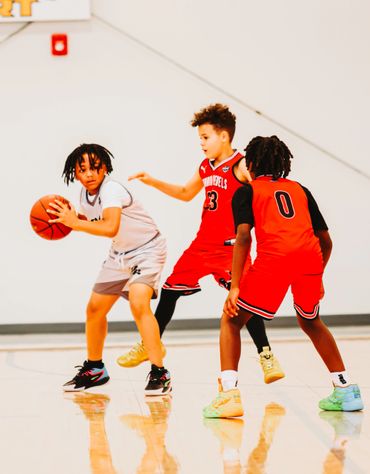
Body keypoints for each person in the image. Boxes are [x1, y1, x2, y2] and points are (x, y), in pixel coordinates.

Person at [117, 104, 284, 384]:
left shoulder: (241, 165)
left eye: (205, 137)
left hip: (231, 248)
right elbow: (185, 192)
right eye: (200, 139)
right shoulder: (206, 167)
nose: (202, 144)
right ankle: (150, 343)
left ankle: (266, 355)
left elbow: (262, 194)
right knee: (170, 291)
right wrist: (152, 181)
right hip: (202, 245)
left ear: (224, 136)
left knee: (244, 302)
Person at [203, 135, 364, 418]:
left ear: (250, 164)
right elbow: (325, 241)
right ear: (282, 164)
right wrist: (317, 273)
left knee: (231, 319)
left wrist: (236, 286)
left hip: (274, 260)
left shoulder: (248, 191)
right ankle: (346, 389)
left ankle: (229, 395)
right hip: (310, 259)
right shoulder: (300, 189)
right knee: (311, 320)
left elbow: (243, 238)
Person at [48, 143, 171, 395]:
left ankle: (160, 372)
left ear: (105, 167)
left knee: (139, 302)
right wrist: (70, 220)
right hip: (119, 255)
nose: (89, 173)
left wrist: (76, 224)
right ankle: (95, 369)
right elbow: (94, 222)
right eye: (82, 169)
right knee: (94, 310)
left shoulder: (112, 189)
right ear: (75, 172)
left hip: (148, 250)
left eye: (95, 167)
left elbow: (110, 227)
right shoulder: (84, 196)